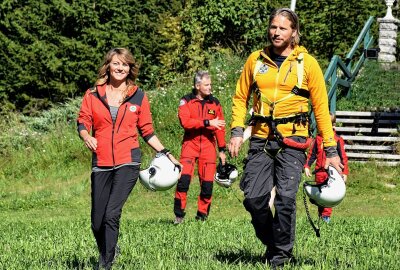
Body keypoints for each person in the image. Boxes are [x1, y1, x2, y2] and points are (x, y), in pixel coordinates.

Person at [228, 8, 343, 268]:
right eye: (273, 27)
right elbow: (239, 98)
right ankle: (273, 243)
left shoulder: (307, 63)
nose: (276, 32)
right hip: (260, 138)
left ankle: (281, 257)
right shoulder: (255, 60)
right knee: (253, 199)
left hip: (294, 140)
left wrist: (331, 149)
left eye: (282, 28)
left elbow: (321, 109)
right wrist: (237, 131)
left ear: (294, 32)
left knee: (285, 200)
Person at [77, 47, 181, 269]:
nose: (120, 68)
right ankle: (109, 250)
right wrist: (86, 135)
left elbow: (147, 131)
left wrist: (168, 153)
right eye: (116, 63)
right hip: (101, 161)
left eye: (125, 64)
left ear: (130, 68)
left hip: (128, 161)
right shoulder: (93, 93)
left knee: (112, 214)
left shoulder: (138, 96)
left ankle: (105, 264)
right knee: (97, 222)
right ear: (108, 65)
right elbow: (83, 120)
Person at [173, 71, 226, 224]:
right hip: (190, 145)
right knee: (183, 181)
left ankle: (202, 217)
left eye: (211, 84)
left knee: (207, 185)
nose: (210, 88)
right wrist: (208, 123)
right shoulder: (186, 101)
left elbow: (220, 127)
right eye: (207, 85)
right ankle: (179, 216)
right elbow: (186, 123)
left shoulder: (215, 103)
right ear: (197, 86)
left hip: (209, 147)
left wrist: (222, 150)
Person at [304, 112, 349, 223]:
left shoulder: (337, 139)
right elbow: (311, 154)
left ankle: (326, 218)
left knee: (328, 196)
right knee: (320, 196)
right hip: (319, 172)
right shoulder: (318, 139)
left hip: (331, 174)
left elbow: (343, 158)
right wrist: (307, 166)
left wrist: (345, 172)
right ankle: (321, 216)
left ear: (333, 125)